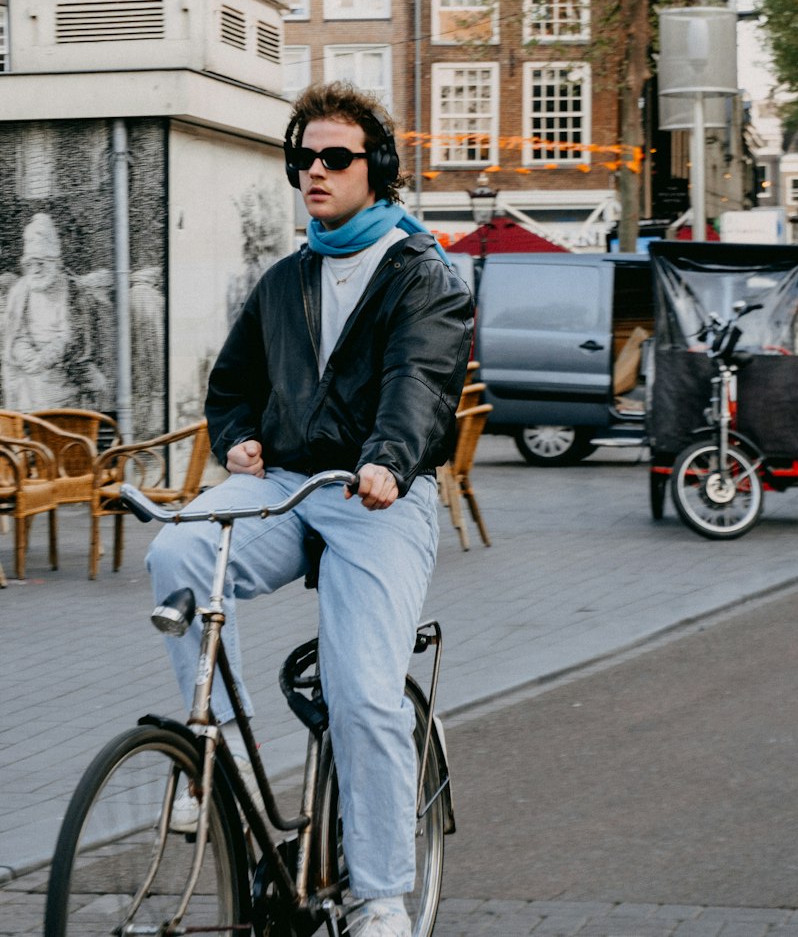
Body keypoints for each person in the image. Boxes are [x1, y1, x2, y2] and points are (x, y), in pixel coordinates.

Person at [147, 82, 474, 937]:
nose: (315, 173)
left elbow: (420, 384)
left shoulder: (425, 275)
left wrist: (387, 461)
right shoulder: (286, 277)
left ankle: (380, 896)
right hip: (287, 487)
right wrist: (240, 439)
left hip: (380, 497)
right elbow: (231, 387)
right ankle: (214, 756)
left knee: (364, 695)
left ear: (379, 170)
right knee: (177, 551)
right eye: (303, 159)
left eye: (336, 157)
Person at [0, 212, 108, 410]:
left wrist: (45, 358)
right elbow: (15, 334)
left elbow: (72, 336)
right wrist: (27, 356)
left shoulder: (73, 290)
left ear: (54, 262)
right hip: (28, 374)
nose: (35, 269)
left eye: (41, 263)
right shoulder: (20, 290)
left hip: (65, 372)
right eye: (30, 264)